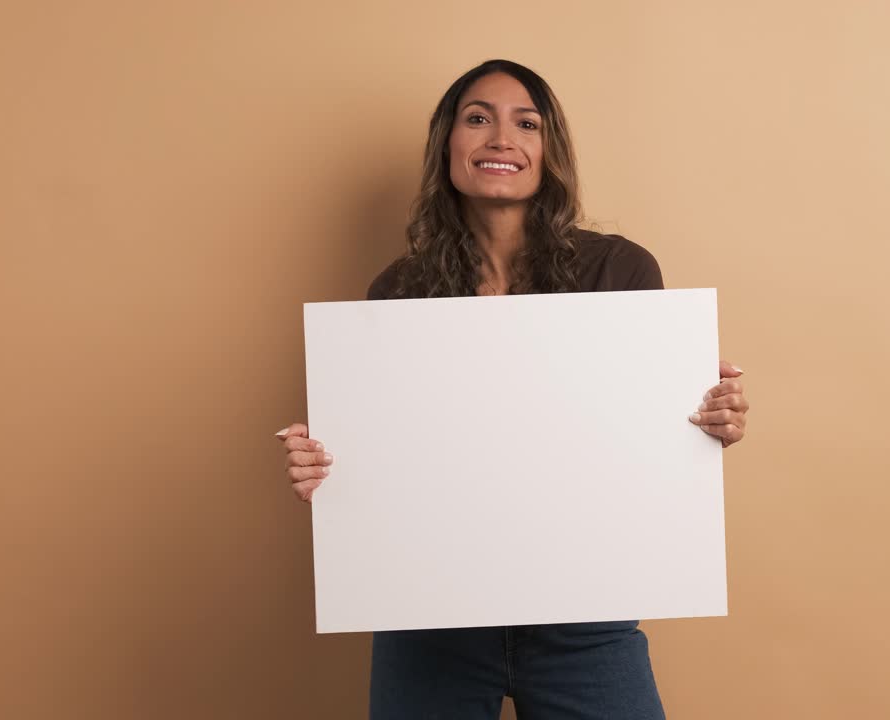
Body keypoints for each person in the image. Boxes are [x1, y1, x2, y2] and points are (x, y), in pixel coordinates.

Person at [274, 59, 750, 719]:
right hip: (429, 617)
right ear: (447, 145)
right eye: (478, 119)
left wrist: (709, 420)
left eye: (526, 124)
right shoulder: (399, 290)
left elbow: (644, 439)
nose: (501, 138)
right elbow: (393, 459)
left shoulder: (619, 270)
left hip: (584, 616)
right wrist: (326, 464)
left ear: (548, 151)